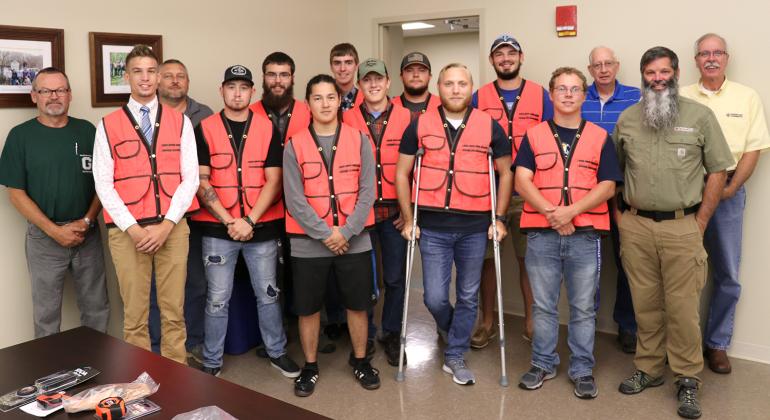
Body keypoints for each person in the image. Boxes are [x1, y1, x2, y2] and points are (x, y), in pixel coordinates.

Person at [614, 46, 733, 419]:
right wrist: (622, 220)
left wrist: (700, 222)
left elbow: (718, 170)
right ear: (643, 76)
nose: (658, 78)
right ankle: (649, 369)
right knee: (645, 304)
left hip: (684, 226)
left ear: (676, 72)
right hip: (636, 227)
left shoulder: (700, 117)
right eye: (650, 73)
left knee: (682, 309)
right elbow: (614, 174)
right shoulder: (628, 119)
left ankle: (687, 379)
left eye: (664, 71)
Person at [396, 63, 512, 385]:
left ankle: (455, 352)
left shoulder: (490, 126)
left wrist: (500, 218)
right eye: (449, 83)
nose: (456, 89)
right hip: (432, 226)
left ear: (471, 87)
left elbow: (506, 173)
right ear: (440, 86)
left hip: (475, 226)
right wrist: (408, 219)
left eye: (462, 83)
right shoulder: (419, 125)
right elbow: (401, 174)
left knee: (468, 294)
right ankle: (451, 328)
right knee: (433, 297)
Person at [514, 67, 622, 399]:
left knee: (583, 307)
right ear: (551, 95)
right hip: (541, 234)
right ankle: (543, 364)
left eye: (575, 89)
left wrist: (571, 212)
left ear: (584, 95)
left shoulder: (600, 137)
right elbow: (522, 180)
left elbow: (608, 186)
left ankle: (582, 369)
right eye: (562, 89)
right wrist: (552, 213)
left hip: (585, 235)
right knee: (544, 306)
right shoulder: (534, 136)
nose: (568, 94)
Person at [191, 65, 300, 378]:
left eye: (243, 87)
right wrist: (230, 222)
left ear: (253, 92)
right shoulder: (206, 128)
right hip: (217, 230)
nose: (237, 93)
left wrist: (249, 220)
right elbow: (202, 180)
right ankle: (212, 362)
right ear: (221, 90)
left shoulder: (267, 128)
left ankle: (277, 352)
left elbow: (274, 180)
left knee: (268, 294)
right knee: (216, 300)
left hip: (261, 228)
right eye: (231, 87)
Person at [93, 44, 200, 364]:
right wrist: (134, 229)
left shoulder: (181, 123)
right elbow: (103, 183)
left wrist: (167, 224)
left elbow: (190, 178)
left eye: (151, 71)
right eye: (137, 71)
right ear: (126, 77)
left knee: (173, 313)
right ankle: (139, 386)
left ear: (159, 76)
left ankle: (175, 383)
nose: (145, 77)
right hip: (128, 234)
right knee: (136, 317)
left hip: (173, 228)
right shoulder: (108, 124)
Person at [284, 74, 380, 396]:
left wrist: (347, 232)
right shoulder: (294, 144)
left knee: (357, 305)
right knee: (308, 308)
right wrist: (327, 234)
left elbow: (368, 191)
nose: (325, 103)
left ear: (339, 101)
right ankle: (310, 366)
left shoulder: (359, 139)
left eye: (330, 97)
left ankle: (361, 360)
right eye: (317, 98)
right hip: (308, 243)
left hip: (354, 239)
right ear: (308, 103)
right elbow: (295, 199)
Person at [680, 33, 770, 375]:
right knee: (681, 268)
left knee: (728, 272)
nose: (711, 58)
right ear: (696, 60)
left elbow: (754, 148)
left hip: (730, 191)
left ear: (727, 58)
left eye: (717, 53)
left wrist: (731, 188)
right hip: (687, 191)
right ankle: (680, 342)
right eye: (704, 53)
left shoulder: (747, 97)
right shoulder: (682, 96)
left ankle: (717, 344)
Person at [0, 67, 109, 338]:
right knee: (46, 315)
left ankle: (100, 371)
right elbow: (16, 193)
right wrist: (54, 231)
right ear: (34, 96)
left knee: (96, 309)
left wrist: (86, 221)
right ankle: (49, 378)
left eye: (60, 90)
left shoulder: (88, 131)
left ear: (70, 95)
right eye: (46, 91)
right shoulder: (20, 136)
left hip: (88, 234)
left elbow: (104, 184)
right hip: (44, 239)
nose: (54, 96)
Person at [471, 34, 553, 348]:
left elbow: (548, 140)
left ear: (521, 57)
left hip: (528, 191)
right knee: (487, 261)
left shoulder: (539, 95)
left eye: (511, 53)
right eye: (499, 54)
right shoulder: (479, 97)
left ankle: (532, 320)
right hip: (487, 191)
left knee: (528, 260)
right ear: (492, 60)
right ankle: (487, 321)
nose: (506, 59)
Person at [342, 58, 412, 366]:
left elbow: (419, 170)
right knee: (365, 281)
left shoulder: (408, 117)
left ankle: (392, 333)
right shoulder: (346, 119)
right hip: (362, 215)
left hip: (396, 213)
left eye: (378, 79)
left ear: (388, 83)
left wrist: (409, 211)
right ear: (359, 85)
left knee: (395, 279)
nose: (373, 84)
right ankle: (365, 335)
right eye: (366, 80)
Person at [152, 58, 214, 360]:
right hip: (156, 216)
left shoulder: (205, 116)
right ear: (157, 81)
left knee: (196, 281)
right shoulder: (146, 115)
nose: (175, 81)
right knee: (155, 286)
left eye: (181, 76)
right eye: (169, 76)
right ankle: (156, 347)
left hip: (197, 214)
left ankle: (195, 342)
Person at [581, 46, 641, 354]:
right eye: (597, 65)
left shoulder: (636, 97)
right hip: (585, 195)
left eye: (608, 64)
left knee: (626, 261)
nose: (603, 69)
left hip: (622, 193)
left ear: (617, 66)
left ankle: (627, 326)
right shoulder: (579, 96)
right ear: (590, 69)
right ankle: (584, 324)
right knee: (586, 264)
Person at [391, 52, 441, 120]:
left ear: (430, 76)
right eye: (409, 70)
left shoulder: (443, 105)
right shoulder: (389, 106)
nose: (416, 75)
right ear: (401, 77)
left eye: (422, 70)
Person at [330, 43, 363, 111]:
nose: (342, 68)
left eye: (348, 63)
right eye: (337, 63)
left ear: (356, 66)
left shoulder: (366, 101)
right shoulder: (320, 100)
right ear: (331, 67)